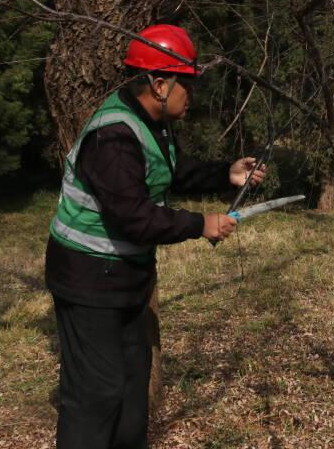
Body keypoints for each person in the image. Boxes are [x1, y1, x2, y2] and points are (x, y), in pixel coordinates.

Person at [45, 24, 267, 449]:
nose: (192, 95)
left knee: (132, 386)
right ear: (160, 85)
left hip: (126, 278)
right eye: (187, 85)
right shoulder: (112, 137)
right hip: (86, 278)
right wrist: (200, 224)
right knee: (96, 394)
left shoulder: (152, 124)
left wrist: (226, 173)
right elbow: (134, 218)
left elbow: (171, 171)